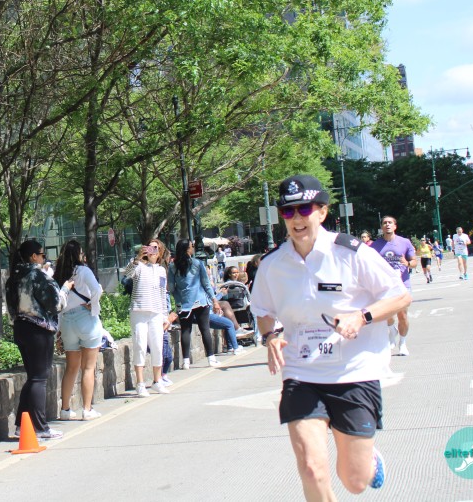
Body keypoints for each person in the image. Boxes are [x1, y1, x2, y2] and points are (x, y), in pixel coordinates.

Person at [251, 174, 411, 499]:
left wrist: (362, 317)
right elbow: (263, 310)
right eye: (288, 211)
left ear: (322, 211)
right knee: (312, 468)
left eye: (304, 209)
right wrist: (271, 336)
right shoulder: (272, 264)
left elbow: (400, 296)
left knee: (354, 481)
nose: (296, 218)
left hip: (355, 372)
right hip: (302, 373)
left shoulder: (351, 252)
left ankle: (368, 460)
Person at [5, 239, 72, 439]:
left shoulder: (13, 277)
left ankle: (22, 425)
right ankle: (41, 428)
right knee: (39, 379)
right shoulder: (37, 275)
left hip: (20, 328)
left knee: (33, 377)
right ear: (34, 256)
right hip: (38, 329)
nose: (44, 258)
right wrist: (65, 289)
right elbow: (56, 304)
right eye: (42, 255)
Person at [54, 239, 104, 421]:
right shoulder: (83, 271)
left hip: (67, 321)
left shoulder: (59, 274)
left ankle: (65, 410)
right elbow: (97, 290)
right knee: (88, 367)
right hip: (85, 318)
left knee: (71, 367)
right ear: (78, 254)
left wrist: (58, 330)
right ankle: (87, 409)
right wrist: (94, 306)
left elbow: (58, 303)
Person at [125, 239, 172, 394]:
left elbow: (162, 293)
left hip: (156, 313)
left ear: (160, 252)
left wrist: (165, 316)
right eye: (150, 248)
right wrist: (138, 258)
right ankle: (140, 383)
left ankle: (157, 381)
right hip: (139, 311)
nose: (153, 251)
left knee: (158, 346)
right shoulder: (139, 266)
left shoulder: (161, 270)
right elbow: (127, 274)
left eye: (156, 248)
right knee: (140, 345)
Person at [167, 239, 221, 370]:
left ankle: (186, 361)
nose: (193, 248)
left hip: (183, 303)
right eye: (192, 246)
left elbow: (171, 288)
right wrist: (214, 300)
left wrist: (179, 298)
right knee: (205, 329)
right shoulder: (197, 263)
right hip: (200, 300)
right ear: (187, 249)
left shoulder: (172, 267)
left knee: (185, 330)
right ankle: (211, 358)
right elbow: (206, 283)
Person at [370, 216, 416, 356]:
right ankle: (392, 330)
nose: (387, 225)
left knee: (402, 315)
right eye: (385, 223)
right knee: (388, 314)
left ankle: (402, 343)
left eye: (390, 223)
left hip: (402, 284)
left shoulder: (405, 242)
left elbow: (414, 262)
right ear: (381, 227)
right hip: (385, 286)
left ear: (395, 226)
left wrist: (407, 263)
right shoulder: (375, 246)